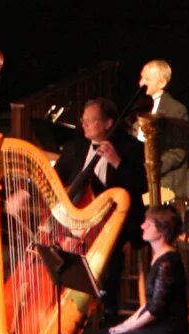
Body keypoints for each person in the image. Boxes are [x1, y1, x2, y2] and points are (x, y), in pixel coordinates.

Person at [79, 206, 189, 334]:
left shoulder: (169, 262)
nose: (142, 225)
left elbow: (155, 310)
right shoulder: (158, 257)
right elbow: (147, 305)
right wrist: (124, 326)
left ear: (162, 229)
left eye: (149, 223)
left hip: (168, 331)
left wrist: (125, 330)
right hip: (156, 326)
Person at [54, 98, 146, 316]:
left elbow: (141, 185)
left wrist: (117, 162)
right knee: (53, 239)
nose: (84, 125)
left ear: (108, 123)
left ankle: (108, 306)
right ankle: (64, 299)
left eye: (91, 121)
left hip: (119, 218)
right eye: (83, 120)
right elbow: (55, 175)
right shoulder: (76, 145)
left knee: (109, 246)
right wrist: (25, 192)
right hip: (83, 216)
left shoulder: (131, 147)